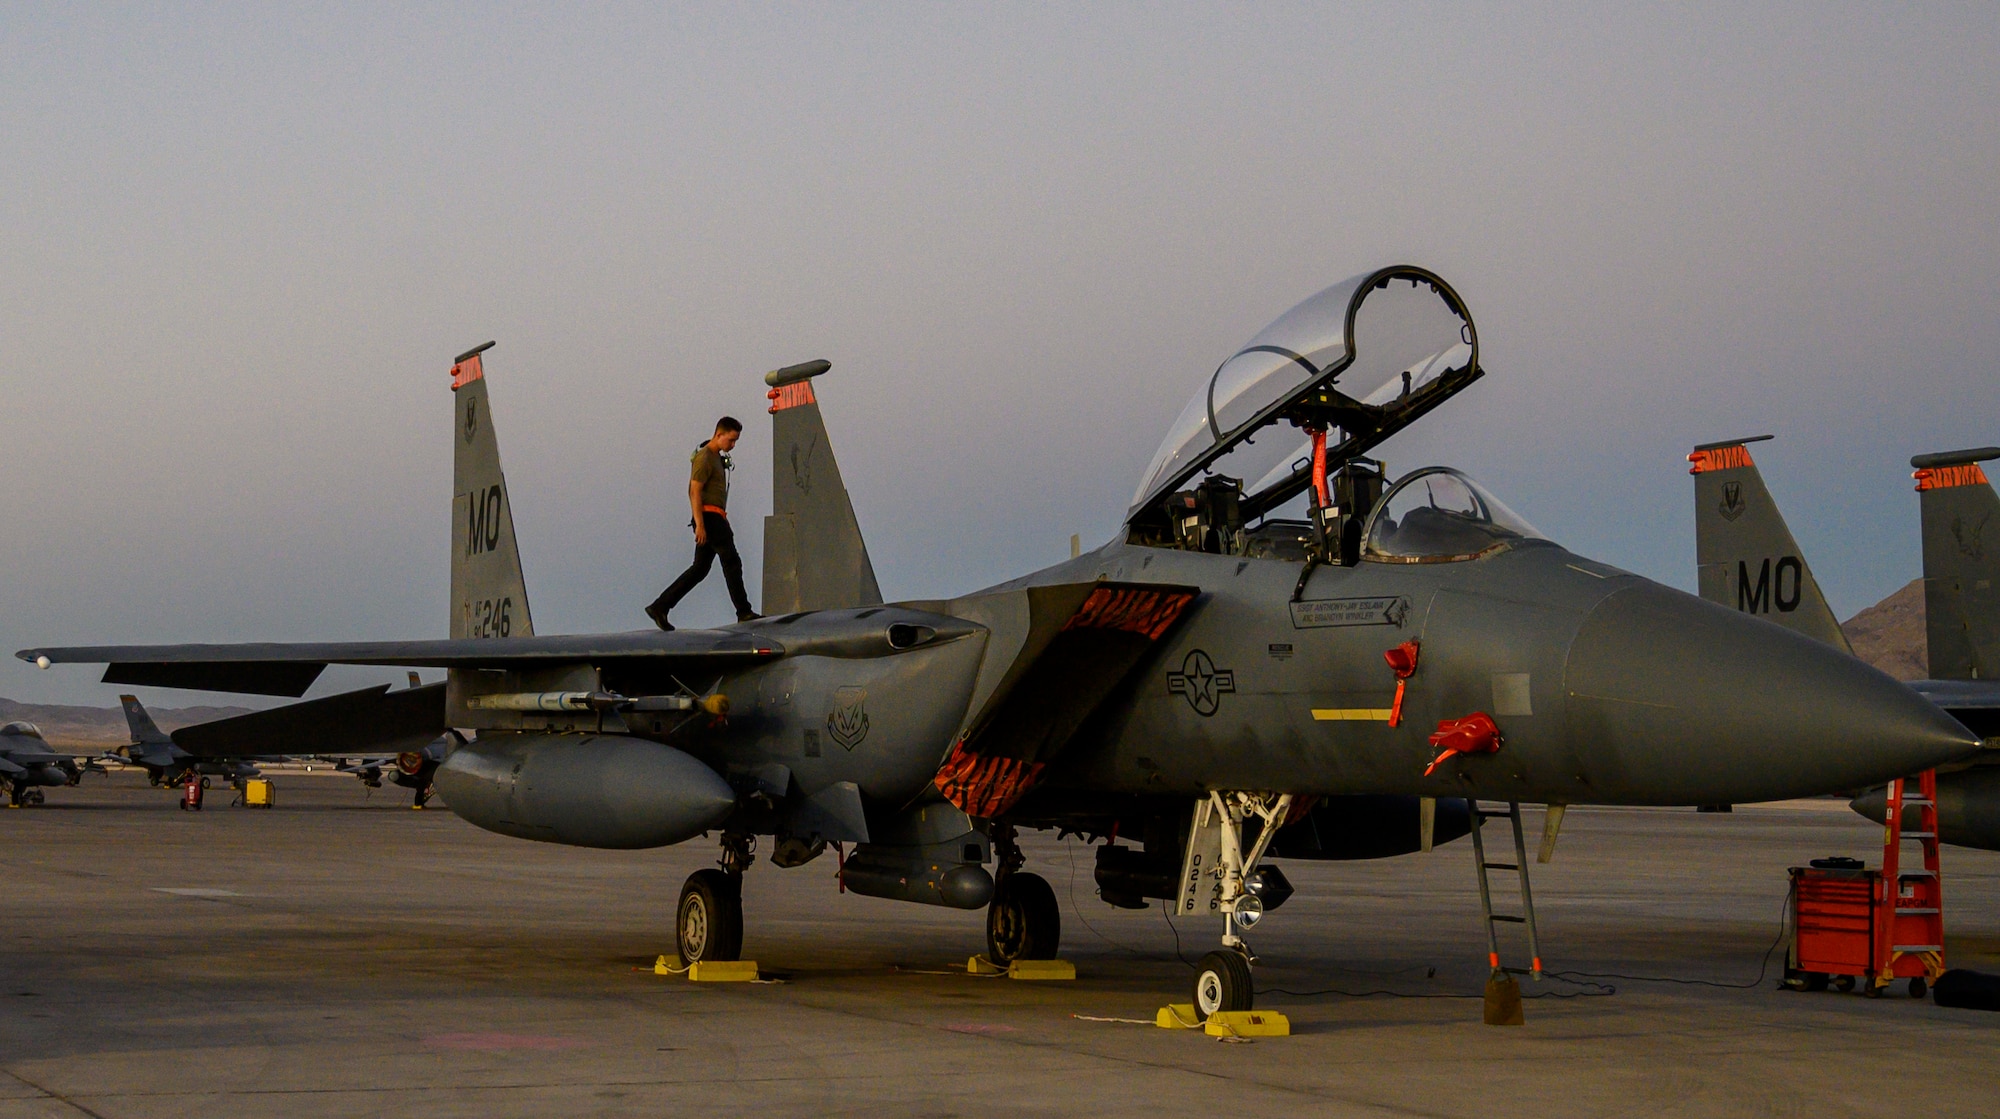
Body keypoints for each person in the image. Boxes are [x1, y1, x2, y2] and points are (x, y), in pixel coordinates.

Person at [646, 416, 758, 630]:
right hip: (710, 516)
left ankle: (660, 606)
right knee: (731, 561)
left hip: (714, 516)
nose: (732, 446)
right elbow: (694, 491)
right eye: (731, 440)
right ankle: (743, 611)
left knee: (700, 569)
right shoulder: (705, 457)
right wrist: (700, 524)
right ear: (719, 434)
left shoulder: (716, 457)